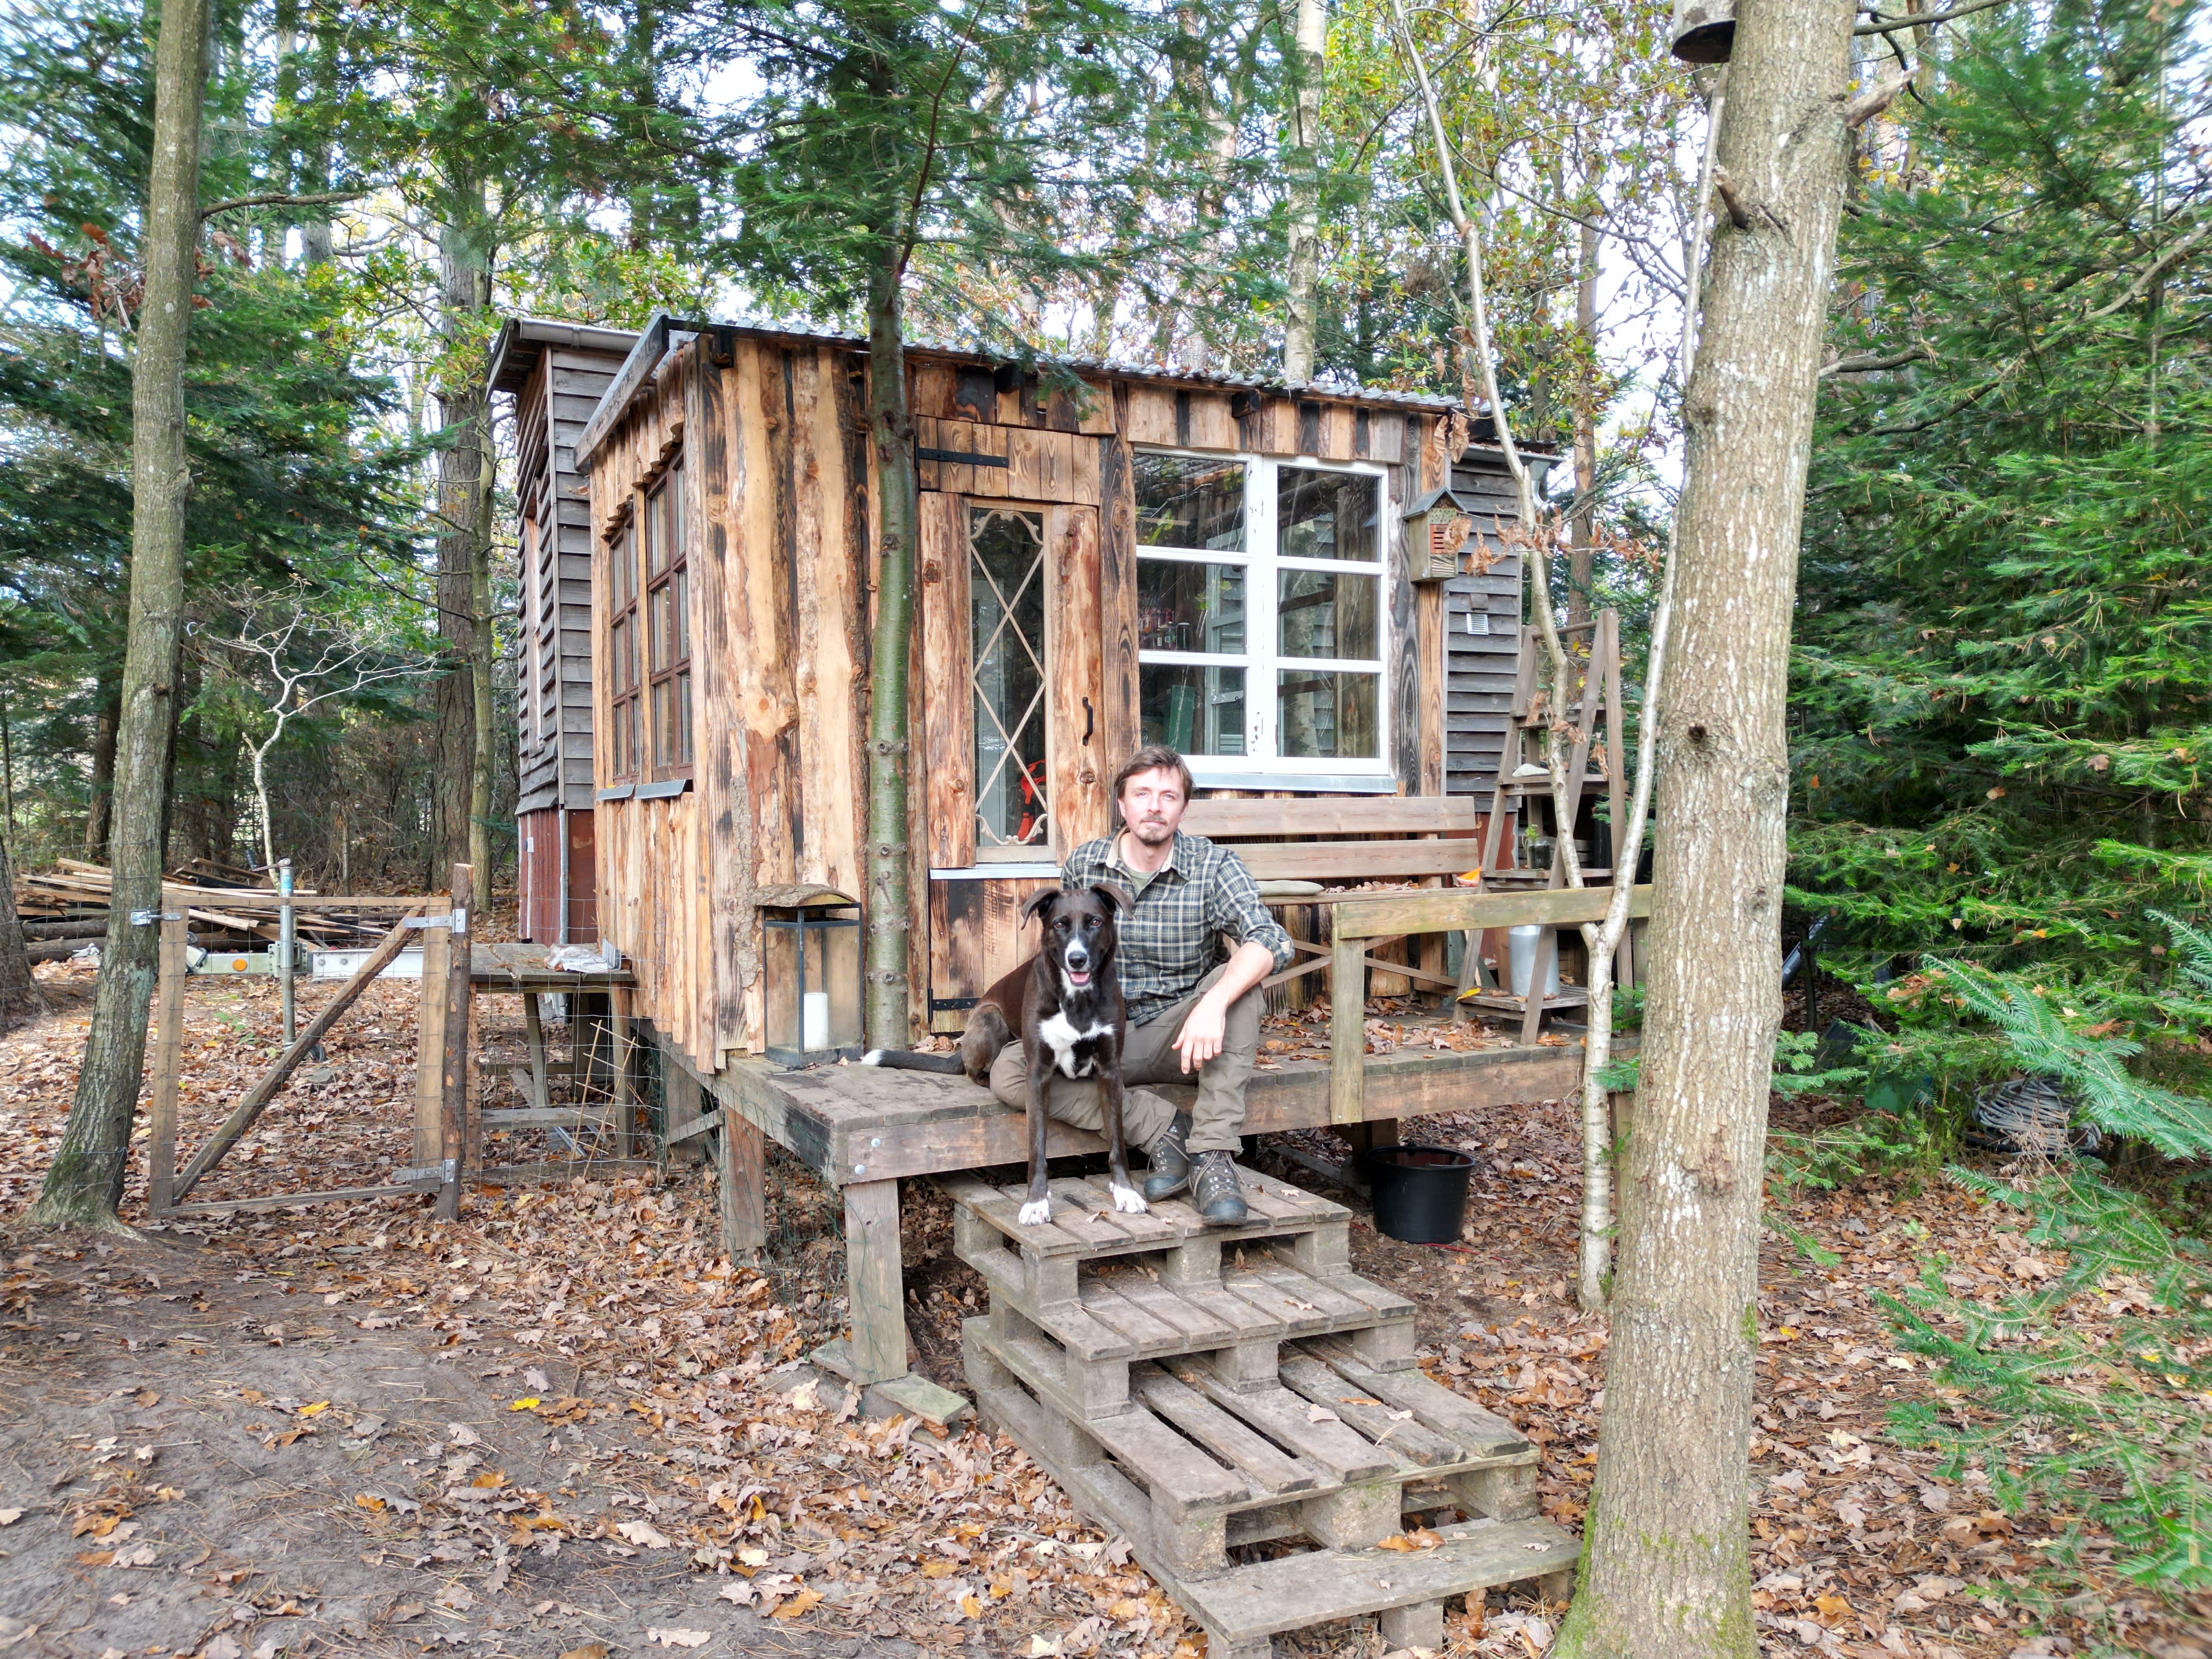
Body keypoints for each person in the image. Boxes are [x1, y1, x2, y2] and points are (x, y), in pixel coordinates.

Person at [988, 744, 1291, 1224]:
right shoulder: (1085, 864)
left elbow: (1270, 939)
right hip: (1102, 1034)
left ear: (1183, 807)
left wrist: (1214, 1003)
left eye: (1168, 796)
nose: (1155, 806)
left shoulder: (1214, 866)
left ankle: (1211, 1155)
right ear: (1122, 804)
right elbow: (1060, 952)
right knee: (1007, 1072)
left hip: (1184, 1035)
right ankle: (1164, 1128)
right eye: (1143, 793)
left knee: (1243, 983)